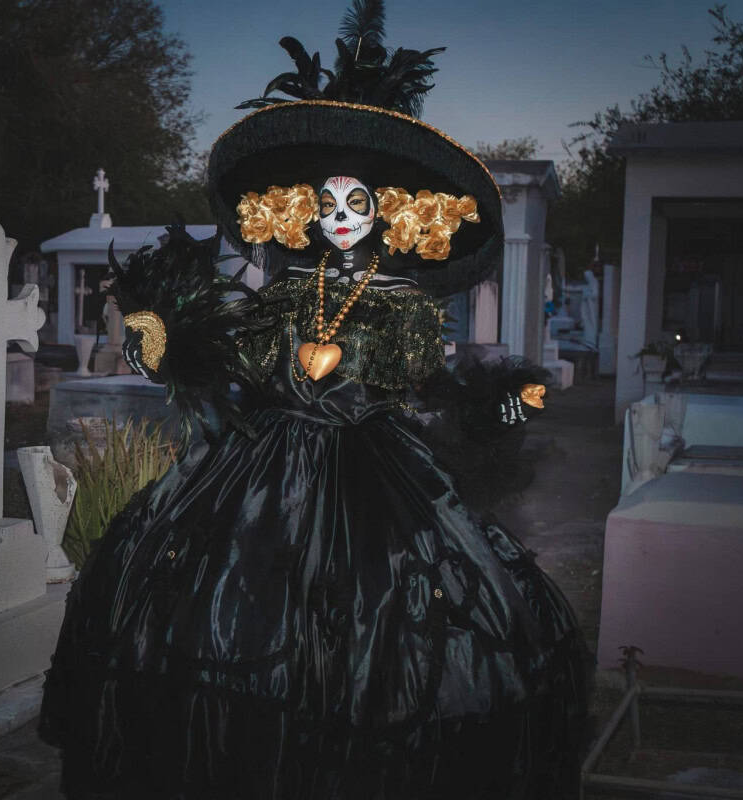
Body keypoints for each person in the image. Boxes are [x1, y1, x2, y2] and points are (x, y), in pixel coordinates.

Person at [39, 6, 590, 798]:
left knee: (383, 631)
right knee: (214, 613)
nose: (339, 219)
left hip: (375, 475)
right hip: (257, 470)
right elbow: (224, 363)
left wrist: (504, 403)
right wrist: (161, 341)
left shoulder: (402, 306)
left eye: (356, 204)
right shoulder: (283, 296)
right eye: (326, 205)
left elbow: (434, 392)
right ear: (300, 210)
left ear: (390, 209)